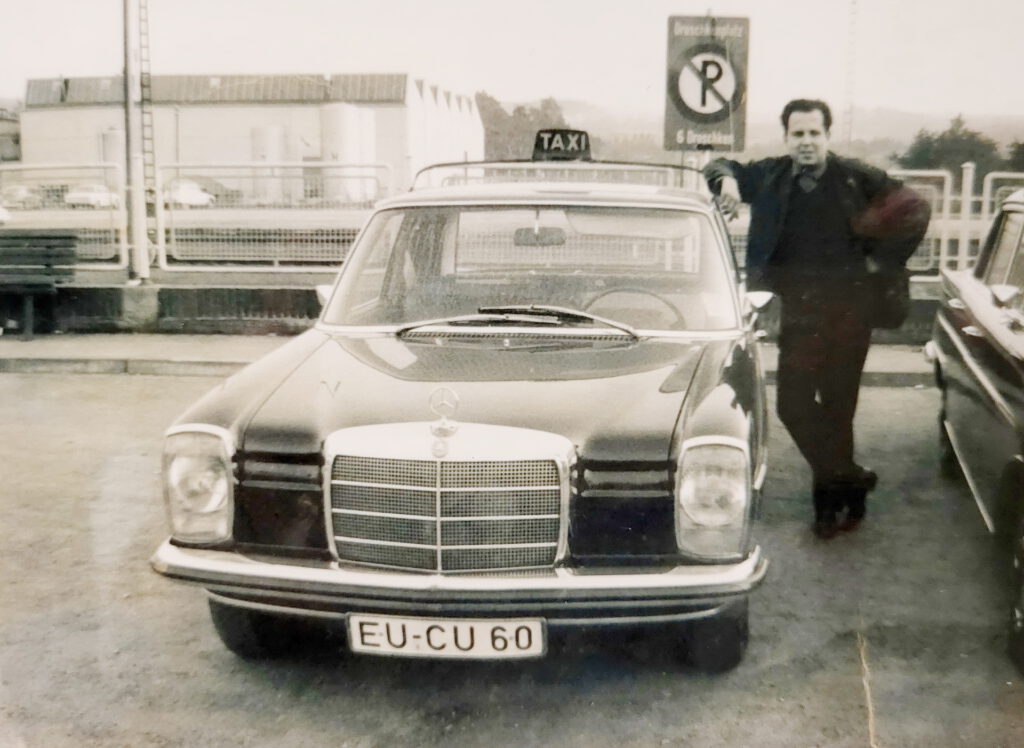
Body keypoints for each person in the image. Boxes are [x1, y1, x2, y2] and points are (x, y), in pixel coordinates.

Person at [703, 98, 929, 540]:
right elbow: (718, 163)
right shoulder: (770, 176)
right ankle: (851, 479)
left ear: (827, 135)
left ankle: (828, 507)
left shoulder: (857, 178)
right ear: (787, 137)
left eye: (814, 134)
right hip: (801, 314)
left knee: (838, 410)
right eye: (797, 134)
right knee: (792, 406)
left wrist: (880, 263)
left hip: (850, 313)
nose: (806, 142)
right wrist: (727, 181)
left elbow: (915, 208)